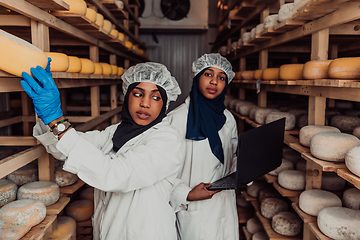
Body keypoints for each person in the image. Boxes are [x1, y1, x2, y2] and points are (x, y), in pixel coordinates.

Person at [21, 60, 184, 240]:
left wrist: (57, 121)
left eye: (155, 97)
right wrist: (48, 120)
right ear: (127, 95)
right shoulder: (115, 132)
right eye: (138, 94)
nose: (145, 103)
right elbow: (65, 149)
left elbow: (115, 174)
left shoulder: (167, 139)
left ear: (165, 103)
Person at [168, 53, 239, 240]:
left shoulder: (228, 119)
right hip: (193, 212)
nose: (214, 81)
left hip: (225, 207)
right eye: (208, 74)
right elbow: (162, 172)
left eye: (221, 77)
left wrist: (246, 167)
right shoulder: (177, 119)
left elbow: (231, 157)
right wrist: (187, 194)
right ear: (197, 77)